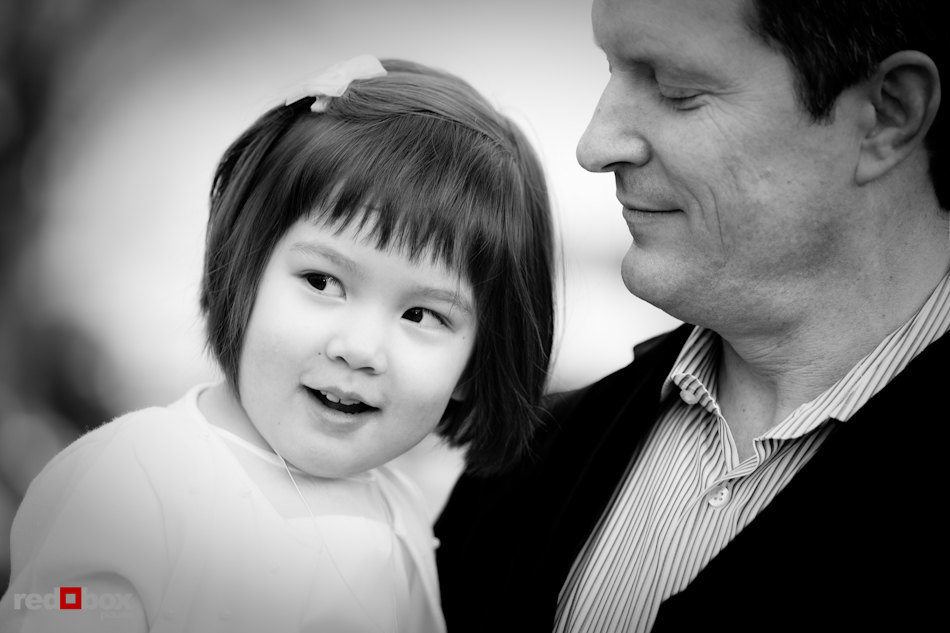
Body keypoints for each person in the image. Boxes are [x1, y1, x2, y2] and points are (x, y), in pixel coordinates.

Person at [435, 1, 949, 631]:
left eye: (676, 88)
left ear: (887, 115)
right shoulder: (521, 467)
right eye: (611, 69)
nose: (595, 147)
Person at [0, 55, 556, 633]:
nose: (360, 347)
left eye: (421, 314)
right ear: (243, 273)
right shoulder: (130, 483)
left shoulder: (403, 515)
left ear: (476, 363)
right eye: (323, 282)